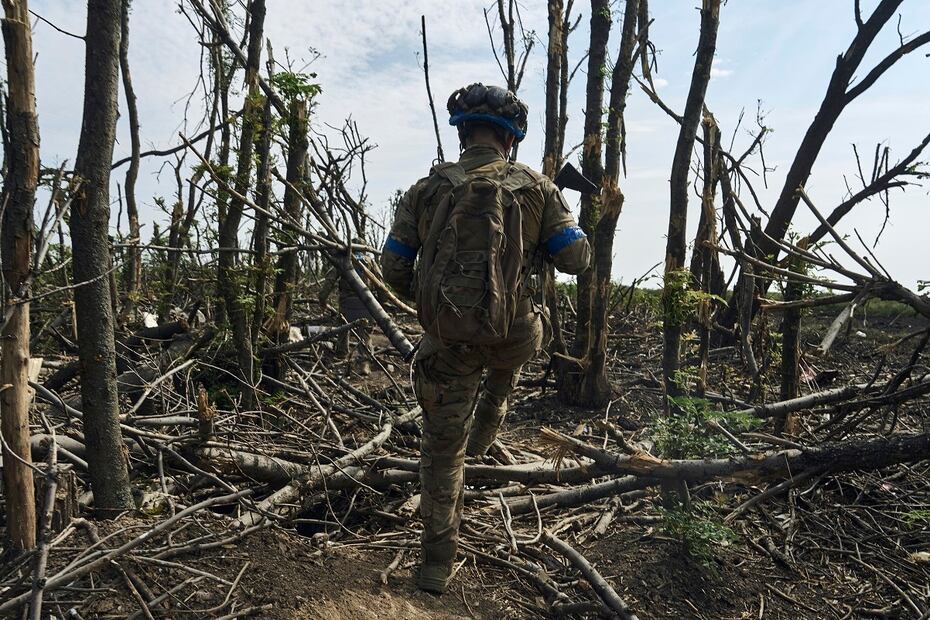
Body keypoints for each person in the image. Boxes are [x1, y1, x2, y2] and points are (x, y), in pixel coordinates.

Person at [381, 83, 591, 594]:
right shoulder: (539, 188)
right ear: (510, 140)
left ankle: (435, 566)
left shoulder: (426, 190)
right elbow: (576, 260)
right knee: (508, 355)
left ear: (463, 134)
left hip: (449, 342)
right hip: (515, 334)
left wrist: (435, 307)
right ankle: (488, 427)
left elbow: (392, 267)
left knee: (440, 450)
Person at [318, 239, 377, 376]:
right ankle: (364, 364)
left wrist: (322, 299)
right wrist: (382, 301)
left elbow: (330, 280)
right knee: (365, 333)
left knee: (343, 328)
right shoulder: (370, 261)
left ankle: (341, 355)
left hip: (347, 302)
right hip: (366, 301)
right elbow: (378, 279)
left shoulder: (343, 259)